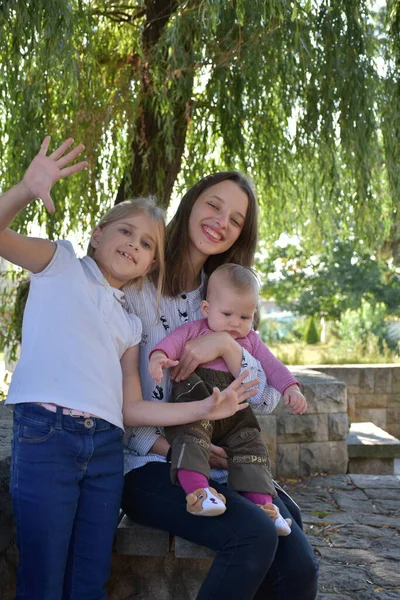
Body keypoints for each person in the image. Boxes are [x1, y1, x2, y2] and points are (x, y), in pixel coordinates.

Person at [2, 140, 256, 600]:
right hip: (46, 434)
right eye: (124, 232)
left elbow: (133, 407)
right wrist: (24, 189)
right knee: (42, 576)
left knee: (88, 580)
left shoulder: (131, 322)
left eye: (145, 244)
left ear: (151, 262)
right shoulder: (60, 264)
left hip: (103, 450)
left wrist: (208, 406)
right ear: (97, 234)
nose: (133, 245)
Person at [122, 172, 319, 600]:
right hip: (151, 466)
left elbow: (265, 400)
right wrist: (180, 448)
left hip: (222, 465)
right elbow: (122, 411)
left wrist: (227, 347)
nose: (221, 221)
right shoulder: (137, 286)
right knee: (254, 538)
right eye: (214, 205)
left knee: (300, 566)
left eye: (235, 218)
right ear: (191, 203)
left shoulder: (231, 293)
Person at [149, 263, 307, 535]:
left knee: (252, 446)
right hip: (199, 405)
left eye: (245, 317)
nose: (236, 323)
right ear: (207, 309)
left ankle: (264, 507)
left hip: (236, 415)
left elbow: (273, 367)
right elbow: (171, 343)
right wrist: (158, 357)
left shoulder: (252, 342)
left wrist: (291, 387)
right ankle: (198, 492)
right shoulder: (195, 330)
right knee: (191, 437)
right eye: (227, 314)